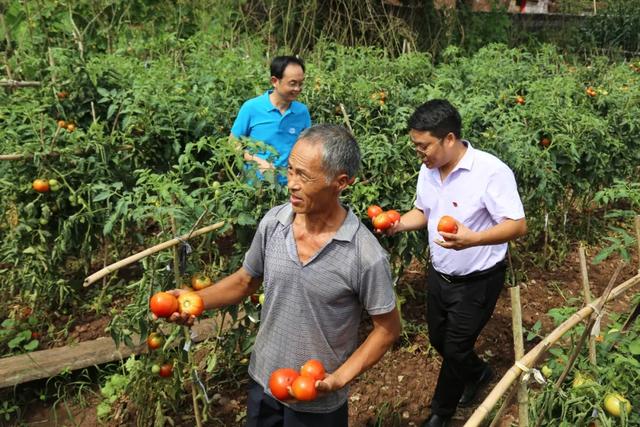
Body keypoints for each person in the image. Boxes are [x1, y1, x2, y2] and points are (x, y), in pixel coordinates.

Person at [170, 124, 401, 426]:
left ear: (340, 182)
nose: (291, 183)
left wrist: (337, 379)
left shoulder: (364, 255)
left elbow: (387, 329)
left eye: (303, 176)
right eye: (290, 171)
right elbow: (245, 281)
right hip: (264, 380)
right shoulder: (274, 223)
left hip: (317, 400)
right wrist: (194, 299)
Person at [384, 100, 527, 427]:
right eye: (415, 146)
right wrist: (399, 223)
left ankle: (441, 413)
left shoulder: (490, 171)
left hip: (479, 279)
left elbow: (517, 225)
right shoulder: (428, 171)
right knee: (438, 338)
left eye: (424, 146)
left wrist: (473, 239)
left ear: (449, 139)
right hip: (441, 274)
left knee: (454, 345)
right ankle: (478, 373)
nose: (419, 153)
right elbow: (424, 212)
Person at [231, 55, 312, 184]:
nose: (297, 89)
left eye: (300, 83)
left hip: (289, 188)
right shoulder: (252, 108)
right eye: (292, 83)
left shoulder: (302, 112)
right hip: (254, 188)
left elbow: (307, 147)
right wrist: (254, 159)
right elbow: (233, 142)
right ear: (274, 81)